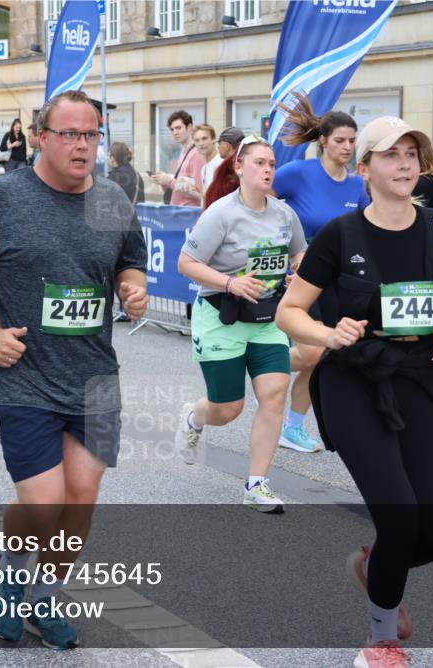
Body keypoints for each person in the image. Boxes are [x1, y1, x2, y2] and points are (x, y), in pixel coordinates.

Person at [0, 90, 148, 650]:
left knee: (81, 497)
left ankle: (43, 594)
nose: (83, 146)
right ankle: (11, 568)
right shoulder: (1, 198)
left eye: (91, 135)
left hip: (97, 377)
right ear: (40, 137)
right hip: (24, 373)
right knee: (45, 502)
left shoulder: (110, 199)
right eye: (70, 134)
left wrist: (133, 290)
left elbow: (131, 261)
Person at [276, 116, 433, 668]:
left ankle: (374, 567)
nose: (404, 164)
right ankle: (381, 641)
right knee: (400, 518)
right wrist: (328, 333)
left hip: (417, 376)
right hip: (353, 380)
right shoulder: (341, 235)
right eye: (390, 155)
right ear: (364, 168)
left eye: (411, 153)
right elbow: (290, 312)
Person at [175, 135, 307, 512]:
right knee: (228, 408)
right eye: (259, 163)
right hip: (222, 315)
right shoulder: (221, 213)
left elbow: (300, 255)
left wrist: (297, 275)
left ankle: (256, 485)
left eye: (271, 164)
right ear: (239, 167)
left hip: (267, 318)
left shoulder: (284, 214)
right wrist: (230, 282)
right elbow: (186, 263)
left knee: (275, 394)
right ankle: (194, 417)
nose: (267, 170)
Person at [269, 92, 370, 453]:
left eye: (352, 141)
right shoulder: (299, 173)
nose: (348, 147)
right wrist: (282, 252)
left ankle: (293, 428)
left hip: (338, 280)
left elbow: (366, 229)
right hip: (300, 278)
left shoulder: (357, 185)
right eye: (340, 140)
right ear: (324, 140)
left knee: (322, 355)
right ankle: (259, 363)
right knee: (312, 353)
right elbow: (258, 204)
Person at [151, 110, 206, 207]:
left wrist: (170, 181)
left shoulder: (196, 154)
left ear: (189, 127)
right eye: (172, 129)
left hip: (188, 211)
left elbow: (197, 191)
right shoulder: (184, 151)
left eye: (178, 128)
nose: (175, 133)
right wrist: (164, 181)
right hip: (178, 210)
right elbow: (182, 184)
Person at [194, 124, 222, 196]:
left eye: (204, 139)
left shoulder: (221, 163)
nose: (201, 143)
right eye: (197, 140)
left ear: (213, 139)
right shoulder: (204, 169)